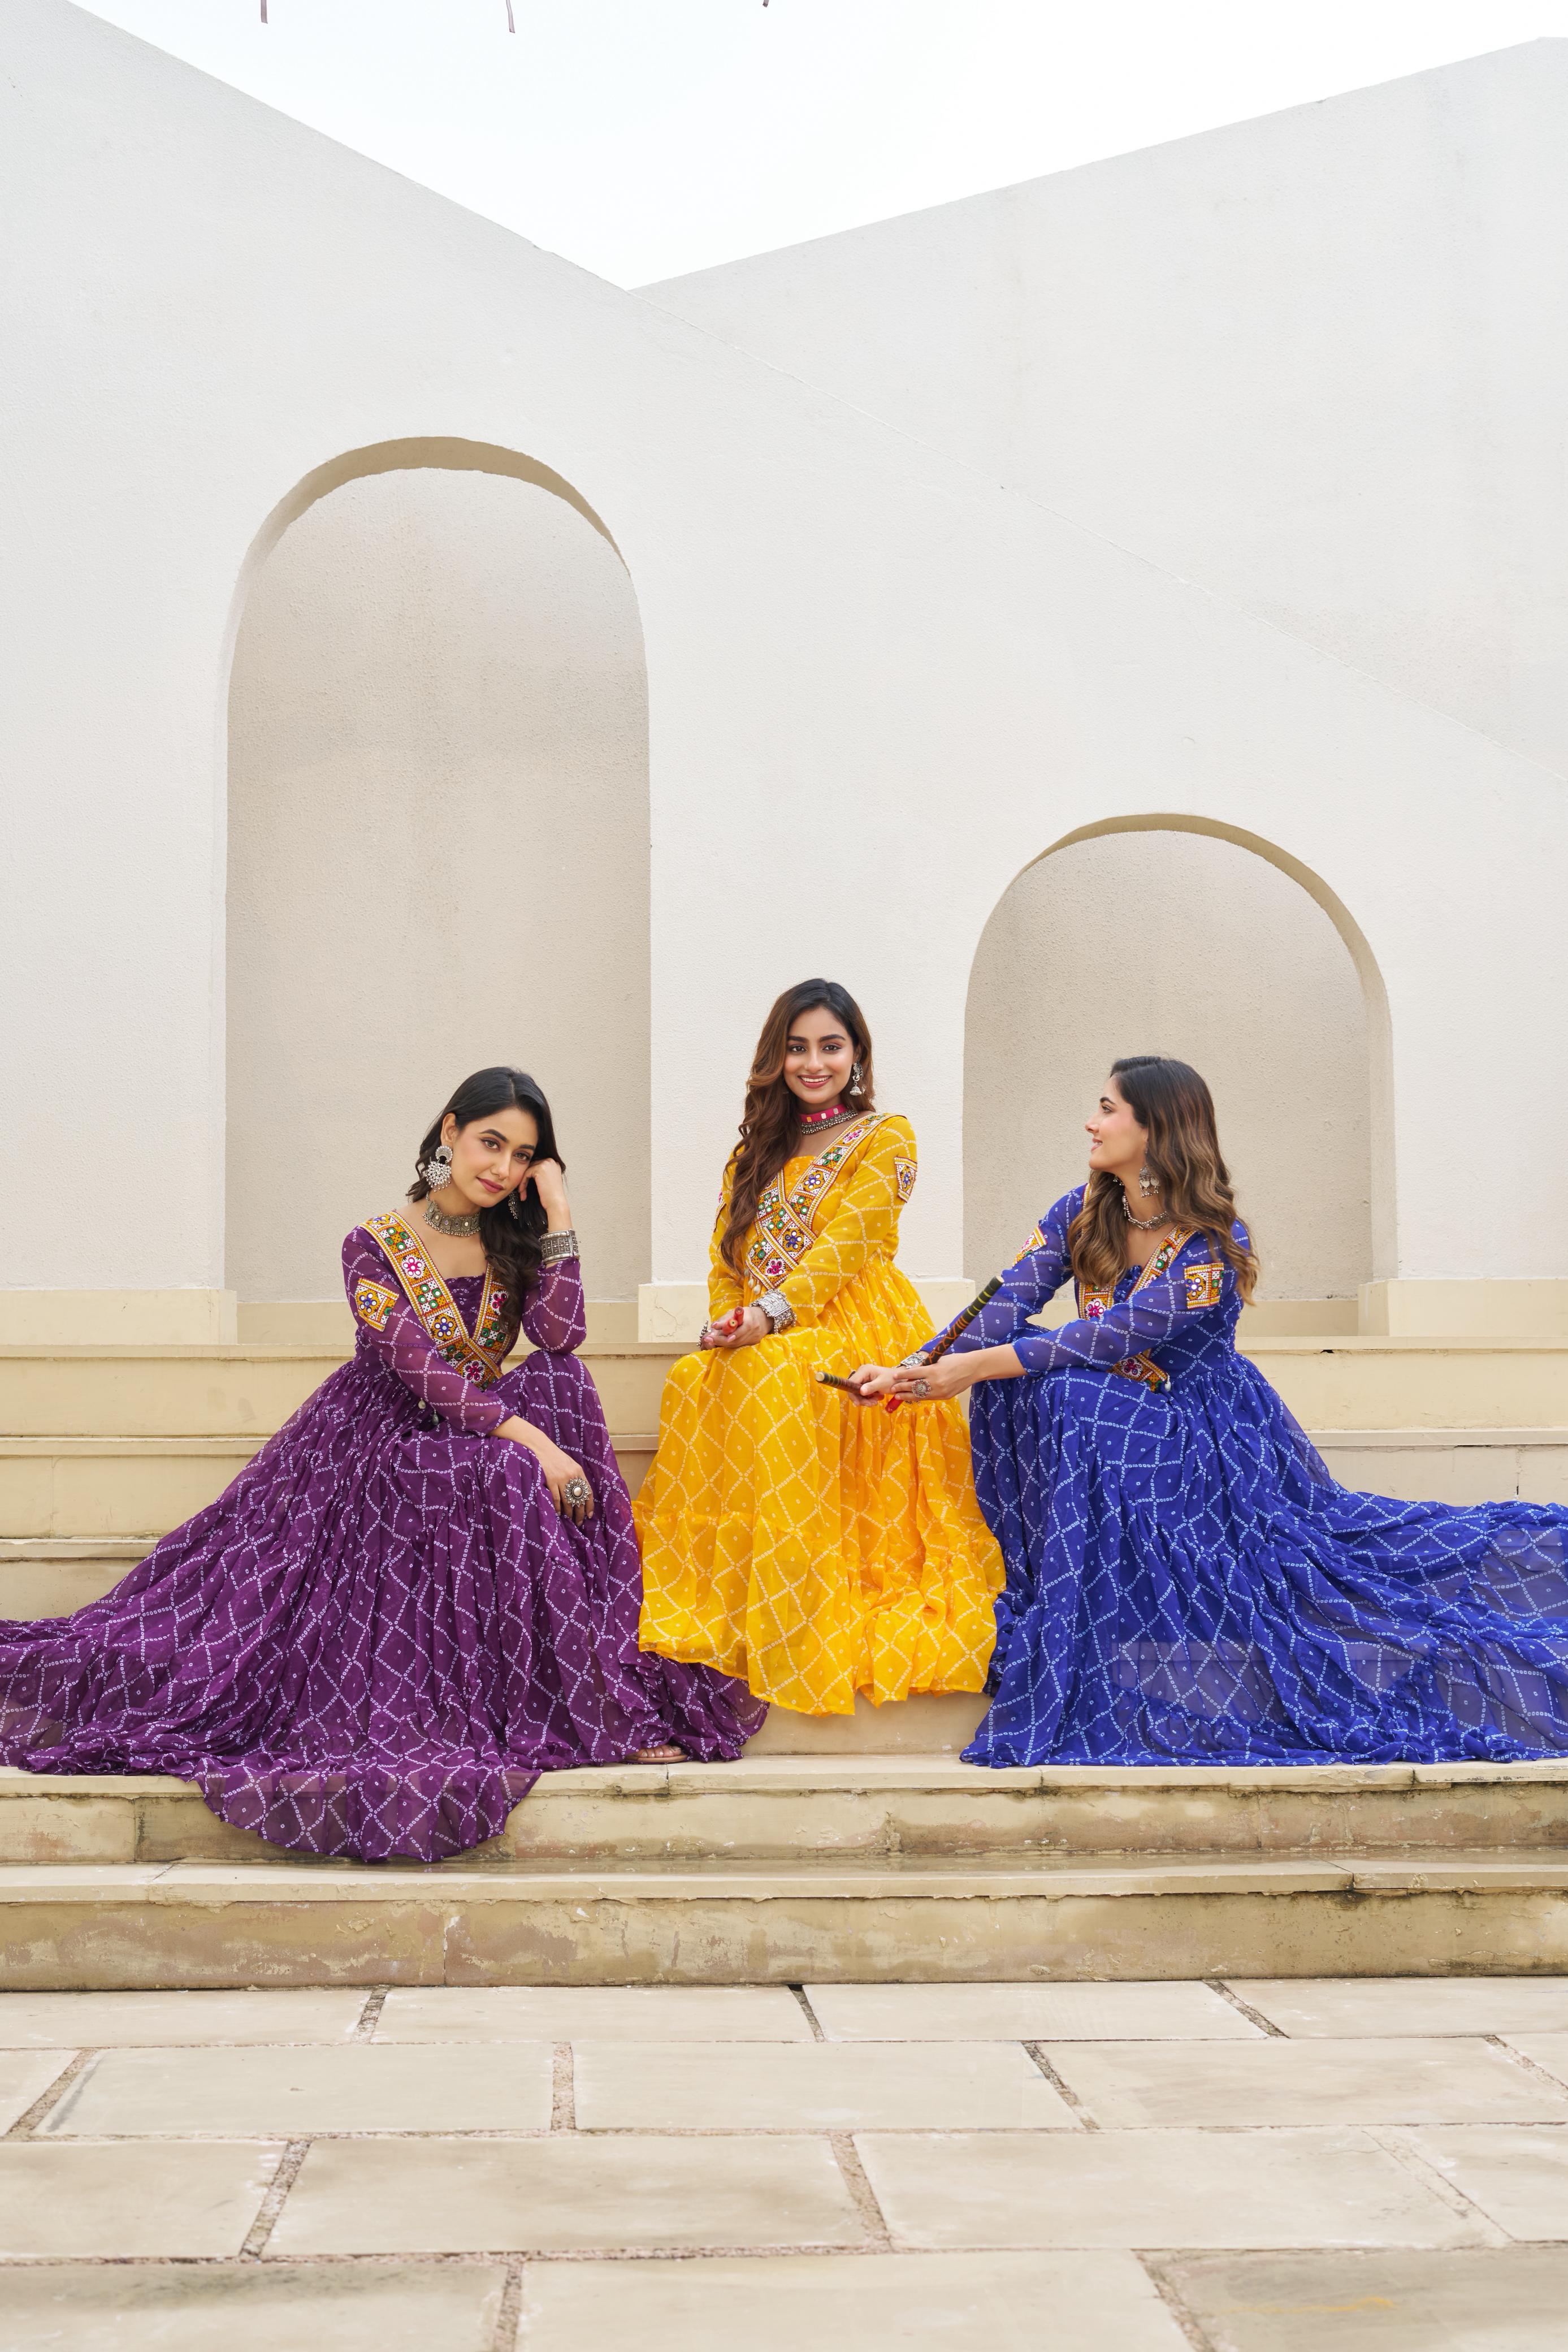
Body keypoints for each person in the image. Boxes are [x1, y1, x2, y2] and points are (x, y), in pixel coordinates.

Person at [0, 1068, 761, 1861]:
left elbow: (560, 1337)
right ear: (449, 1132)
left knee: (562, 1384)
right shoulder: (373, 1244)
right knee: (512, 1464)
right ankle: (586, 1704)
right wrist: (538, 1447)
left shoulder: (513, 1235)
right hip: (379, 1439)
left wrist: (559, 1215)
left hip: (479, 1432)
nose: (500, 1169)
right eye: (489, 1143)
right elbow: (422, 1374)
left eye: (522, 1156)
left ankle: (595, 1689)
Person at [855, 1054, 1568, 1767]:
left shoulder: (1209, 1241)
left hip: (1200, 1430)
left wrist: (970, 1369)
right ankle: (1054, 1584)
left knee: (1056, 1384)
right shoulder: (1079, 1210)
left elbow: (1116, 1334)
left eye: (1107, 1107)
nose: (1090, 1120)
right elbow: (1007, 1298)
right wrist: (915, 1368)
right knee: (1030, 1370)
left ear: (1155, 1127)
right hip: (1107, 1417)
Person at [634, 980, 1003, 1716]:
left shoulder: (884, 1135)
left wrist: (767, 1319)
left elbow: (845, 1248)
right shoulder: (753, 1155)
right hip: (765, 1327)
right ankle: (732, 1591)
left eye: (829, 1047)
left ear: (855, 1055)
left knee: (777, 1371)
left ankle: (808, 1595)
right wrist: (725, 1326)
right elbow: (723, 1261)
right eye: (796, 1048)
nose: (813, 1063)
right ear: (775, 1058)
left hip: (855, 1322)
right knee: (691, 1377)